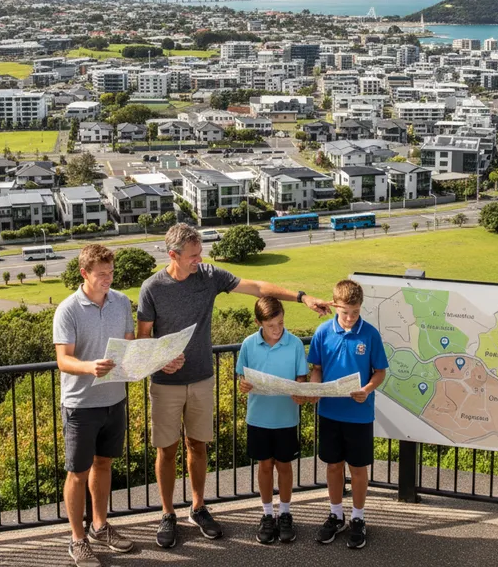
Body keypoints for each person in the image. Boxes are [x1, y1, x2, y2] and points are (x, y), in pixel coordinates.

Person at [137, 222, 331, 549]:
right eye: (194, 255)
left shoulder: (209, 276)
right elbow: (143, 338)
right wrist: (159, 361)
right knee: (166, 451)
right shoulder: (152, 287)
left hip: (201, 380)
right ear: (173, 255)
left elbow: (257, 287)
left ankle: (198, 507)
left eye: (201, 253)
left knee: (197, 447)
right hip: (165, 384)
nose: (201, 259)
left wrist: (302, 297)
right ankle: (168, 513)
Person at [52, 245, 136, 567]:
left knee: (104, 465)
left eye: (111, 272)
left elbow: (129, 346)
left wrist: (145, 358)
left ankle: (100, 526)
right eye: (102, 274)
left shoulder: (122, 302)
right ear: (84, 273)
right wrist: (90, 367)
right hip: (81, 405)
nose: (109, 279)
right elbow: (63, 359)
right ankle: (78, 539)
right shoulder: (68, 309)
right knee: (77, 473)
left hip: (115, 400)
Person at [307, 279, 388, 549]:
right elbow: (316, 368)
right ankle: (336, 514)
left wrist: (366, 389)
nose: (350, 318)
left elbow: (380, 373)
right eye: (345, 312)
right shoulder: (322, 332)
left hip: (359, 414)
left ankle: (358, 518)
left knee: (357, 468)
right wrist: (315, 388)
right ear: (334, 305)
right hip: (330, 412)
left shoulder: (371, 335)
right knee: (332, 465)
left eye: (355, 312)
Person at [236, 296, 311, 545]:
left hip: (287, 418)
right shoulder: (248, 344)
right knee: (265, 466)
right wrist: (243, 385)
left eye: (280, 323)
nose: (277, 329)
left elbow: (301, 378)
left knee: (285, 466)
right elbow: (241, 379)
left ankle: (286, 513)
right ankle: (268, 515)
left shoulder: (295, 344)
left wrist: (300, 392)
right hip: (258, 418)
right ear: (259, 322)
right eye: (271, 325)